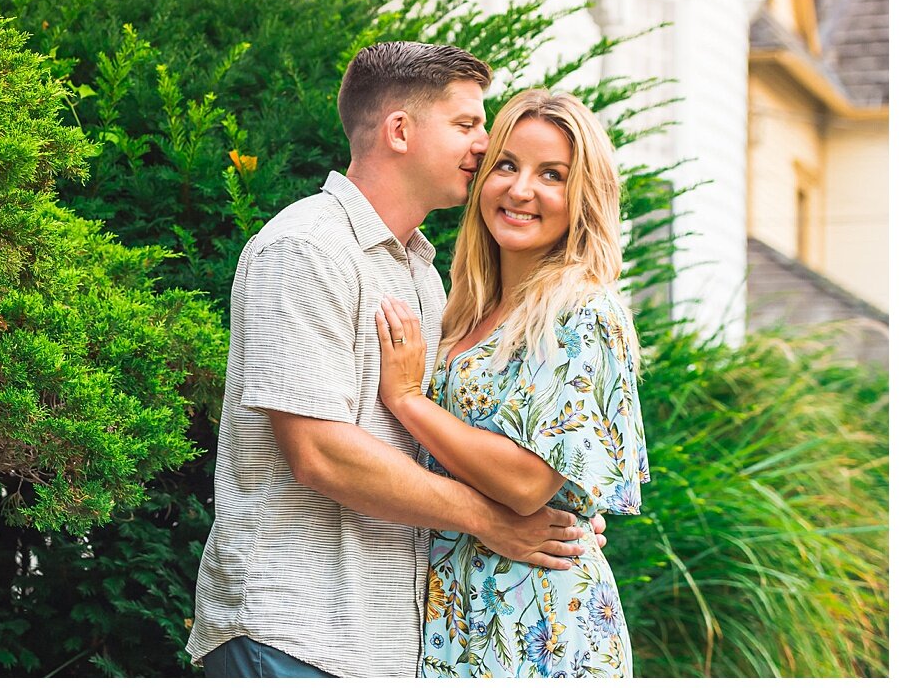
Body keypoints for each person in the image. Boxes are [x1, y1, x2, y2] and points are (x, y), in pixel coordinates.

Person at [187, 44, 605, 679]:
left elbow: (438, 451)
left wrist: (557, 523)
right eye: (467, 124)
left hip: (383, 648)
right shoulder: (308, 248)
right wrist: (497, 521)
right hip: (289, 633)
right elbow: (319, 450)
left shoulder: (423, 272)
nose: (483, 142)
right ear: (400, 131)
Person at [374, 89, 649, 677]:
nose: (521, 190)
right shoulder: (465, 310)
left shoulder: (585, 312)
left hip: (541, 618)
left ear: (583, 197)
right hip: (455, 608)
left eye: (552, 174)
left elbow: (527, 482)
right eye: (506, 165)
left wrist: (405, 400)